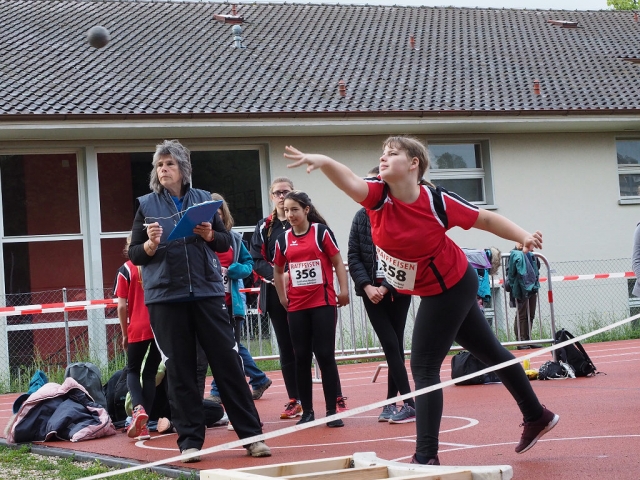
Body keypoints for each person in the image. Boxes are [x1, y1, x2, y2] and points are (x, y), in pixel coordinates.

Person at [284, 136, 559, 465]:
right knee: (490, 352)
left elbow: (483, 218)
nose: (383, 159)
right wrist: (325, 161)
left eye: (392, 153)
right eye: (382, 154)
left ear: (414, 163)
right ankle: (537, 415)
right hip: (434, 289)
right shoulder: (377, 196)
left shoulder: (436, 201)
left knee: (424, 366)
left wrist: (522, 236)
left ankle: (426, 457)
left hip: (453, 286)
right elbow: (350, 181)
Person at [128, 139, 270, 461]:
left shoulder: (204, 200)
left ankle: (252, 437)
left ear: (183, 169)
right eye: (159, 165)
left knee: (228, 363)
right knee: (180, 370)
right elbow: (135, 254)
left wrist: (209, 235)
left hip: (206, 292)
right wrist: (150, 245)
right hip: (165, 297)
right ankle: (190, 441)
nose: (163, 170)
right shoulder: (146, 205)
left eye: (169, 164)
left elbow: (224, 243)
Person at [249, 178, 348, 419]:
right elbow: (268, 264)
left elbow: (336, 261)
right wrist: (281, 290)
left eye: (293, 205)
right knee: (295, 353)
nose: (287, 208)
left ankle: (333, 404)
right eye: (278, 195)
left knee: (324, 353)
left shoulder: (318, 230)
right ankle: (302, 405)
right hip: (290, 301)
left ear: (304, 208)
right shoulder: (272, 232)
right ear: (273, 198)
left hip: (320, 300)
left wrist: (342, 290)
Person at [348, 166, 415, 424]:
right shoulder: (360, 216)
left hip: (397, 289)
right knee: (391, 346)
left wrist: (387, 286)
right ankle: (397, 403)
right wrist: (367, 286)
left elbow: (407, 253)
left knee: (394, 345)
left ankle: (404, 403)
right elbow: (353, 255)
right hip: (371, 292)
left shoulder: (400, 213)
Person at [206, 193, 272, 403]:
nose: (215, 218)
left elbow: (249, 264)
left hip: (231, 303)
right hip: (207, 303)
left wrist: (236, 269)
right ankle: (258, 378)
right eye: (210, 214)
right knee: (224, 346)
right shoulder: (199, 240)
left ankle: (218, 391)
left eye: (218, 213)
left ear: (224, 215)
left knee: (228, 346)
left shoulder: (233, 239)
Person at [114, 237, 162, 441]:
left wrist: (124, 333)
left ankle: (137, 410)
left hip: (138, 327)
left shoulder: (126, 269)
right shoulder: (157, 263)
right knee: (150, 373)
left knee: (133, 371)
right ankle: (145, 425)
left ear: (129, 247)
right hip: (159, 326)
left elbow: (122, 306)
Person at [507, 242, 541, 348]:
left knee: (531, 314)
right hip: (520, 287)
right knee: (522, 314)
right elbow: (509, 270)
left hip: (532, 286)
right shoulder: (513, 254)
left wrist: (533, 254)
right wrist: (518, 249)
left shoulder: (530, 254)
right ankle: (520, 340)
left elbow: (537, 266)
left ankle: (528, 338)